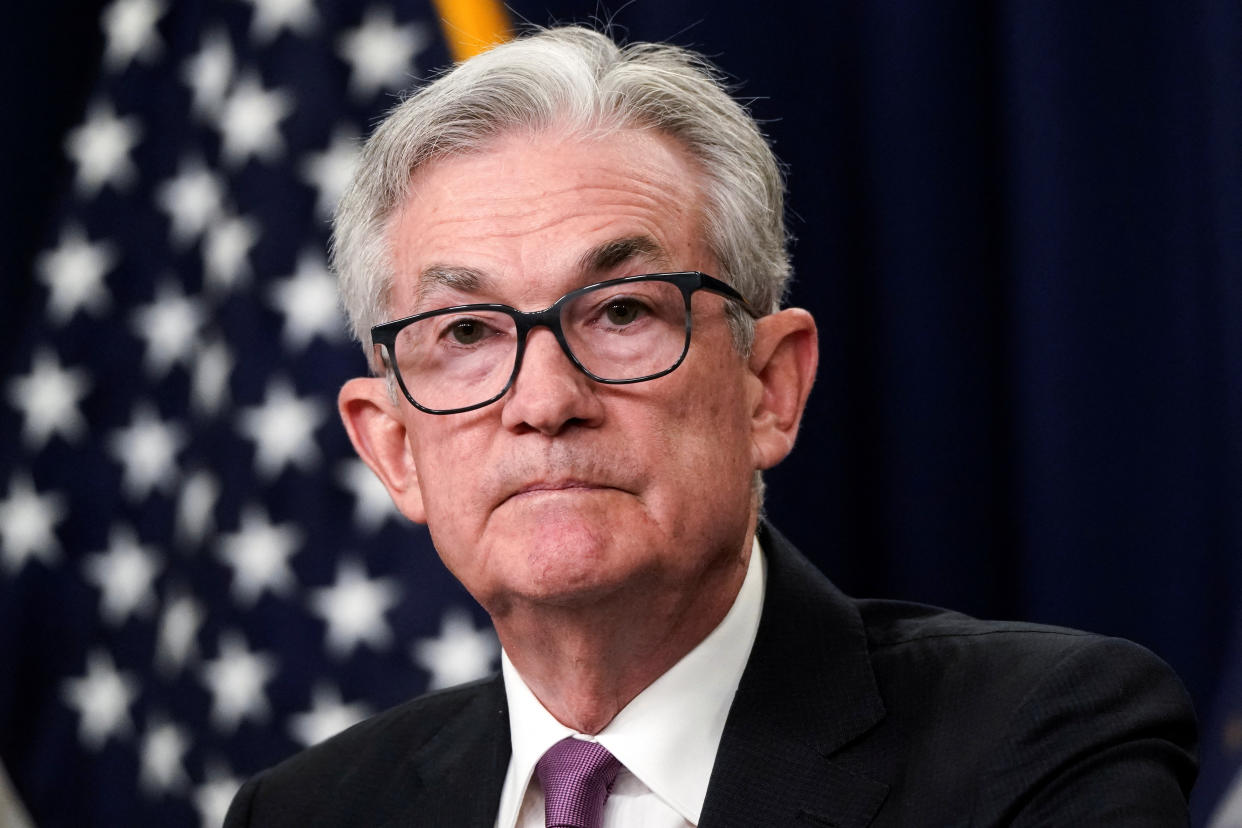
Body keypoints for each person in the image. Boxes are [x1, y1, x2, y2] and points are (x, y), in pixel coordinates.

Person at [225, 26, 1197, 827]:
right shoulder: (308, 812)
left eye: (621, 313)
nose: (543, 400)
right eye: (468, 331)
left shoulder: (1041, 746)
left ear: (768, 387)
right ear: (391, 446)